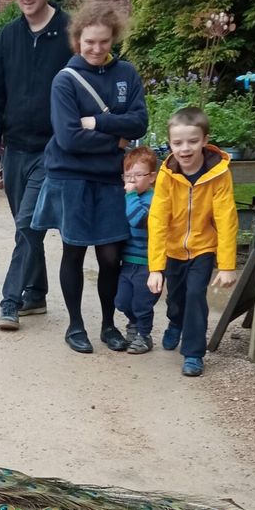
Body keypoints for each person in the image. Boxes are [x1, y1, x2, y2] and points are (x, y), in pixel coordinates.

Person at [32, 0, 148, 355]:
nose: (97, 49)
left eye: (104, 41)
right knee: (75, 251)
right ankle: (75, 325)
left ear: (114, 38)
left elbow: (140, 123)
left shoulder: (127, 74)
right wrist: (117, 138)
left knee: (111, 256)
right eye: (89, 42)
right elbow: (68, 138)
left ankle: (109, 325)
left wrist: (98, 122)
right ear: (77, 40)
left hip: (111, 180)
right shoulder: (64, 81)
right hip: (72, 178)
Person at [0, 0, 72, 332]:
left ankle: (10, 300)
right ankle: (36, 293)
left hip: (54, 149)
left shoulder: (70, 32)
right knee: (26, 226)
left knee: (28, 225)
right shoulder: (8, 37)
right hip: (15, 148)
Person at [147, 107, 238, 378]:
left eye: (192, 141)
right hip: (174, 248)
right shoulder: (166, 175)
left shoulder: (219, 175)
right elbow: (158, 219)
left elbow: (226, 219)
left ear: (205, 140)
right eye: (177, 143)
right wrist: (155, 267)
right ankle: (175, 321)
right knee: (176, 297)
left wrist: (227, 265)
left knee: (196, 294)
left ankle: (194, 353)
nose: (185, 149)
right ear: (170, 143)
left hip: (203, 247)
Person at [115, 145, 160, 354]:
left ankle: (144, 335)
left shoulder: (154, 200)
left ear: (151, 177)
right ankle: (133, 323)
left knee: (143, 303)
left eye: (138, 175)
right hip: (128, 261)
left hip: (148, 263)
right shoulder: (126, 197)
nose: (131, 180)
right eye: (127, 175)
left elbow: (138, 220)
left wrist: (131, 196)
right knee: (122, 301)